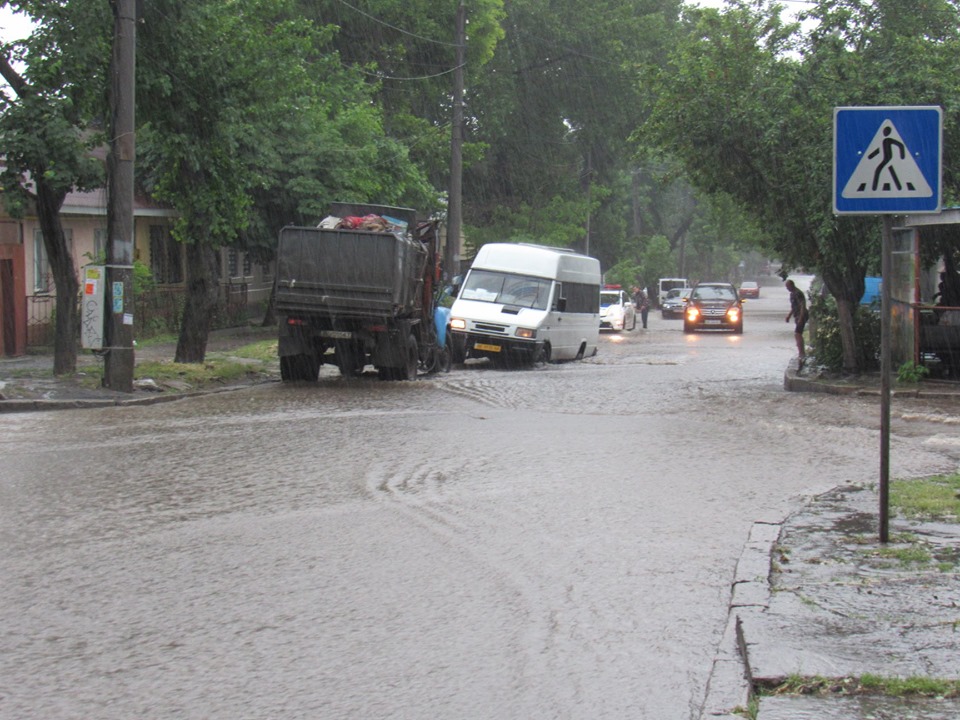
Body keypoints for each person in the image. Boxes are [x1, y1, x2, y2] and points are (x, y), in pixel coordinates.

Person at [785, 279, 808, 364]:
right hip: (796, 315)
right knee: (798, 334)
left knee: (797, 333)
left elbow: (802, 305)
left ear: (792, 285)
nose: (787, 288)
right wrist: (789, 315)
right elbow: (793, 306)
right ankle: (801, 352)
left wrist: (801, 318)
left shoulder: (798, 293)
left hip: (802, 315)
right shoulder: (792, 294)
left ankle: (802, 353)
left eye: (788, 286)